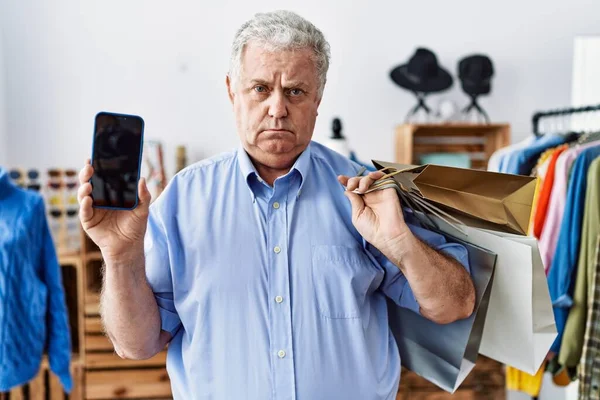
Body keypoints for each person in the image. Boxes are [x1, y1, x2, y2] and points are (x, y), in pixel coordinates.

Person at [77, 10, 475, 400]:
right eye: (261, 88)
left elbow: (454, 305)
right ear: (233, 91)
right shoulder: (182, 200)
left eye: (296, 91)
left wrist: (400, 242)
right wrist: (120, 255)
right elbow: (136, 344)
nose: (278, 108)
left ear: (317, 98)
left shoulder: (367, 195)